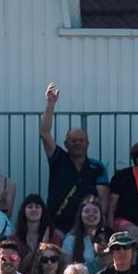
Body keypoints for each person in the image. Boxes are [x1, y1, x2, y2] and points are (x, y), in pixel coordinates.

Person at [40, 82, 109, 233]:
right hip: (56, 225)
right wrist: (50, 105)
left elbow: (103, 200)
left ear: (88, 143)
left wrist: (99, 226)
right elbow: (44, 133)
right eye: (73, 141)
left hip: (87, 226)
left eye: (81, 140)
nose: (77, 143)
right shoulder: (58, 159)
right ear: (66, 144)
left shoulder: (97, 167)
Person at [11, 194, 64, 273]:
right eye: (30, 207)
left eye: (37, 207)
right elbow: (17, 269)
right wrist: (40, 246)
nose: (34, 209)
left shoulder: (53, 236)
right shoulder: (14, 238)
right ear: (23, 211)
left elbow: (60, 264)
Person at [62, 194, 105, 268]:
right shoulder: (70, 239)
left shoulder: (108, 237)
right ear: (80, 215)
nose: (91, 214)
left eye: (95, 211)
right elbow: (65, 267)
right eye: (87, 211)